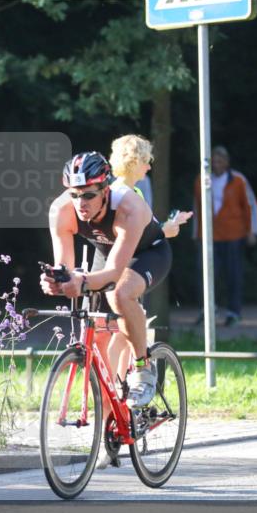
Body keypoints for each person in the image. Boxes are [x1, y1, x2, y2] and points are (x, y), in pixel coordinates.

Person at [40, 151, 186, 415]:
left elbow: (116, 272)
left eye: (88, 195)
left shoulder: (129, 207)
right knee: (97, 333)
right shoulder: (61, 210)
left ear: (106, 190)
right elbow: (66, 267)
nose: (80, 203)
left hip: (147, 254)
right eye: (74, 194)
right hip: (105, 253)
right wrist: (57, 280)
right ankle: (110, 421)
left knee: (120, 294)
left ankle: (143, 367)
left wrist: (81, 281)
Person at [101, 135, 191, 385]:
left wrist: (168, 226)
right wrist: (165, 231)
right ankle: (116, 388)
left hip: (133, 261)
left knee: (124, 333)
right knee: (122, 331)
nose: (150, 167)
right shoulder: (121, 193)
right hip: (127, 264)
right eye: (146, 161)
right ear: (134, 162)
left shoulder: (135, 190)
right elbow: (138, 235)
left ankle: (122, 390)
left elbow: (141, 233)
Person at [192, 145, 257, 327]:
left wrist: (252, 231)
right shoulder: (201, 180)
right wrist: (195, 233)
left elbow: (250, 205)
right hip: (208, 236)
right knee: (204, 274)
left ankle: (233, 312)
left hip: (233, 235)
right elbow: (196, 208)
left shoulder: (238, 180)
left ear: (227, 162)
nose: (217, 164)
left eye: (220, 160)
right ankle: (207, 310)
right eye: (214, 161)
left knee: (233, 274)